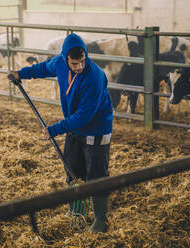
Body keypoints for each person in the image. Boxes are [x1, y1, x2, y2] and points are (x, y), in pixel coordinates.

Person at [7, 33, 113, 233]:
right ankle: (76, 211)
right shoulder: (59, 63)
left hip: (96, 129)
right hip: (74, 129)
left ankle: (100, 220)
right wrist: (21, 74)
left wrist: (55, 129)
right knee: (72, 169)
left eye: (82, 61)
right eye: (75, 64)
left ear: (86, 56)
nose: (79, 67)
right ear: (66, 59)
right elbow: (42, 68)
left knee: (97, 176)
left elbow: (85, 116)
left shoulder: (94, 77)